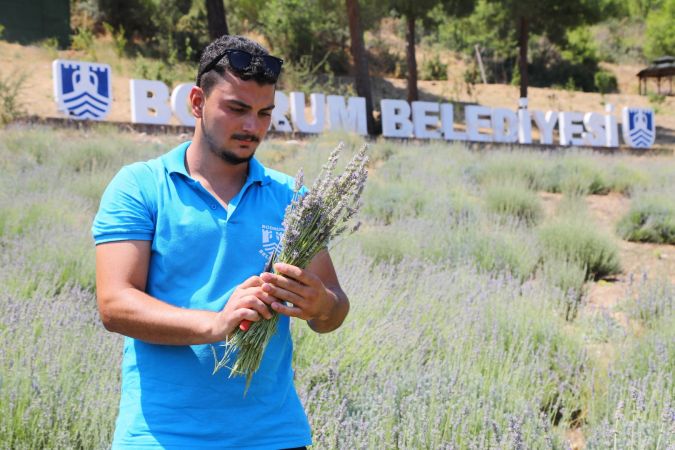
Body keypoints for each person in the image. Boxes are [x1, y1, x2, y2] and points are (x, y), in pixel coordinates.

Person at [93, 35, 349, 449]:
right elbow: (115, 304)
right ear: (197, 102)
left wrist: (321, 305)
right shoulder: (140, 187)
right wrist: (214, 325)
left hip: (274, 436)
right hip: (164, 437)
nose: (252, 126)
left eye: (264, 113)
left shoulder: (293, 199)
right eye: (237, 109)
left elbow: (334, 309)